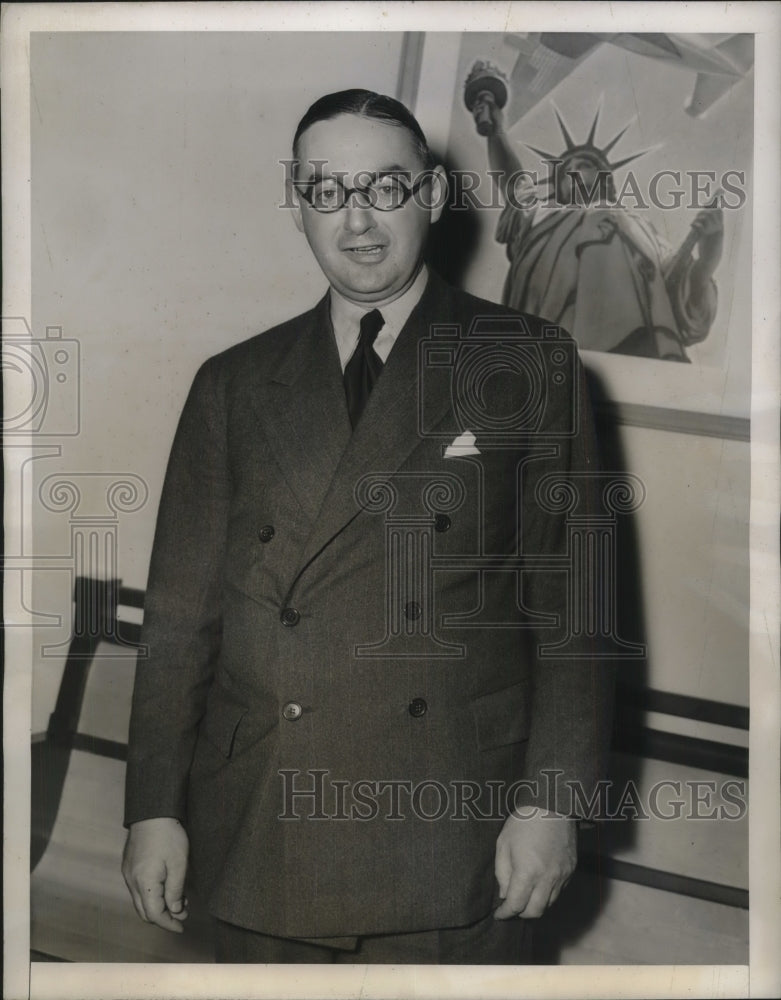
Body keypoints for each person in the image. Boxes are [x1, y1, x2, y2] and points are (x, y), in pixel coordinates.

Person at [122, 89, 613, 965]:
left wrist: (553, 802)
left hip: (452, 828)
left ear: (429, 196)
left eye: (384, 188)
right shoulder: (233, 383)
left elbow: (576, 610)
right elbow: (179, 617)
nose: (356, 220)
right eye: (325, 191)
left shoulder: (526, 360)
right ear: (296, 204)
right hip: (259, 818)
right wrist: (154, 804)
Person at [469, 89, 724, 361]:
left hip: (642, 349)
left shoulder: (640, 227)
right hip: (554, 347)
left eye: (587, 165)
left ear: (606, 181)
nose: (576, 172)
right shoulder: (542, 215)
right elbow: (513, 182)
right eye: (568, 170)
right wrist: (496, 132)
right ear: (560, 187)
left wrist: (708, 257)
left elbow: (677, 285)